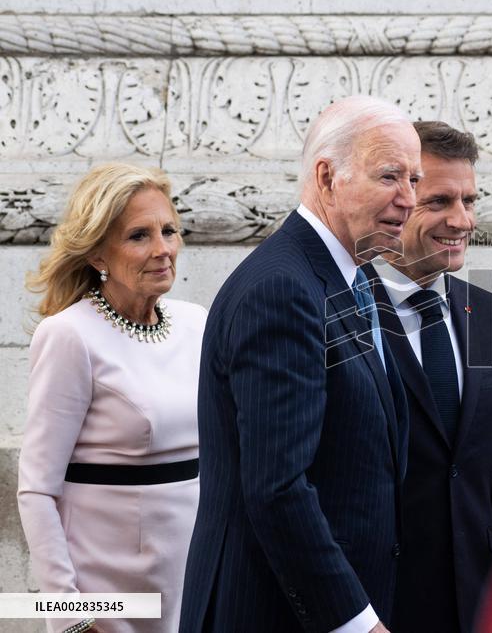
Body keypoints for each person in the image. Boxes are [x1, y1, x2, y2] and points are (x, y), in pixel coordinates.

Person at [180, 95, 418, 633]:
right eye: (390, 177)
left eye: (414, 180)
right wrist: (356, 622)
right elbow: (278, 487)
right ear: (327, 176)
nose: (409, 199)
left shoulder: (349, 280)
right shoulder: (282, 290)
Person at [17, 163, 207, 633]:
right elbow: (37, 489)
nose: (163, 250)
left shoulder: (197, 323)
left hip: (192, 571)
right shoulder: (69, 336)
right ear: (99, 253)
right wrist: (69, 618)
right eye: (139, 236)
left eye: (170, 230)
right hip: (108, 594)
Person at [364, 121, 492, 633]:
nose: (461, 220)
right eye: (439, 202)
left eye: (469, 201)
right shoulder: (334, 312)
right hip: (373, 610)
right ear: (394, 204)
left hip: (475, 608)